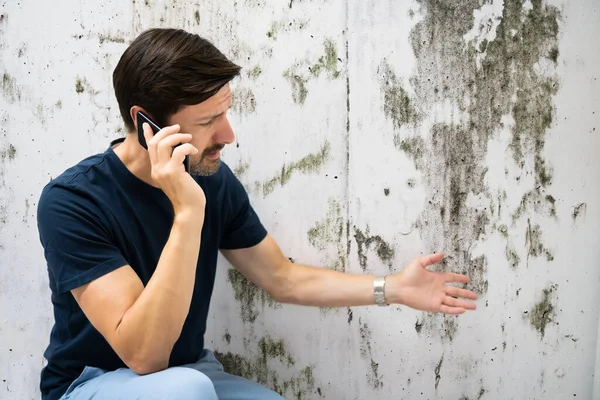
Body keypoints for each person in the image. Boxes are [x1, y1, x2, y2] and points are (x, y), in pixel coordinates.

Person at [36, 27, 478, 400]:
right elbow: (145, 355)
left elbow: (282, 278)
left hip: (192, 375)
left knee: (199, 387)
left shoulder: (212, 178)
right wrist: (188, 212)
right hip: (91, 386)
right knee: (184, 390)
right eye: (209, 120)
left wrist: (394, 288)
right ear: (148, 124)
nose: (227, 134)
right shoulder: (73, 203)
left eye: (225, 113)